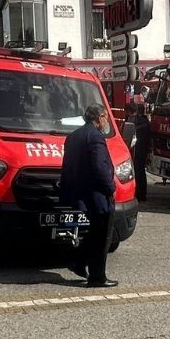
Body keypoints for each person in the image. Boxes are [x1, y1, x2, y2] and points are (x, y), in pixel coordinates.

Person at [59, 104, 118, 287]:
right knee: (102, 237)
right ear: (99, 118)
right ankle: (97, 277)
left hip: (80, 192)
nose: (106, 121)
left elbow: (67, 166)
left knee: (93, 233)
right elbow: (100, 168)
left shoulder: (73, 136)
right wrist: (110, 188)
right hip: (97, 194)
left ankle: (78, 261)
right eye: (105, 117)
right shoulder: (95, 137)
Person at [126, 96, 151, 201]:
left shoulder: (133, 121)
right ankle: (142, 194)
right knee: (141, 171)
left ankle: (137, 193)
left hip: (136, 149)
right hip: (144, 148)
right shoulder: (145, 121)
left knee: (136, 171)